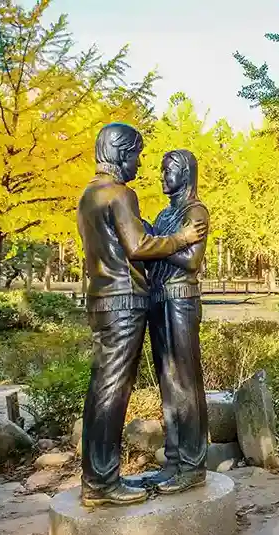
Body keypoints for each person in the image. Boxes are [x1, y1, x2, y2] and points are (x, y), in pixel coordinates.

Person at [76, 123, 207, 507]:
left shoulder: (89, 194)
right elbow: (137, 245)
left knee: (107, 388)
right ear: (119, 152)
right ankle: (101, 482)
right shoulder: (119, 194)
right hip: (123, 299)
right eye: (135, 154)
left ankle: (101, 478)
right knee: (111, 391)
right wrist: (180, 240)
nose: (140, 164)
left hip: (107, 297)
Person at [143, 149, 210, 494]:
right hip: (158, 299)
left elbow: (191, 260)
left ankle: (193, 464)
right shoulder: (164, 215)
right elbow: (157, 252)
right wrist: (151, 238)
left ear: (185, 173)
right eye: (161, 169)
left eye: (168, 170)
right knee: (167, 383)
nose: (162, 176)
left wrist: (156, 244)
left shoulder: (194, 212)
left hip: (181, 300)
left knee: (185, 381)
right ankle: (173, 460)